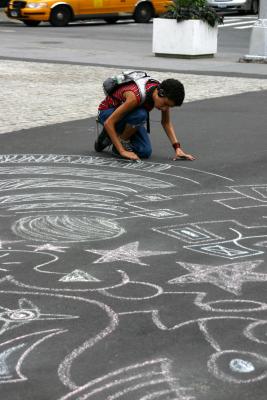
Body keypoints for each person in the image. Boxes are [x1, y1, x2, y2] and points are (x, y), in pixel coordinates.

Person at [95, 77, 195, 161]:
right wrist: (123, 151)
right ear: (160, 93)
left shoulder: (163, 93)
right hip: (107, 113)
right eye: (165, 104)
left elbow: (166, 122)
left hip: (129, 116)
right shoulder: (134, 97)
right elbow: (109, 122)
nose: (165, 108)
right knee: (141, 114)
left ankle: (117, 141)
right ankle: (112, 138)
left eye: (169, 107)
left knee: (144, 151)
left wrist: (177, 148)